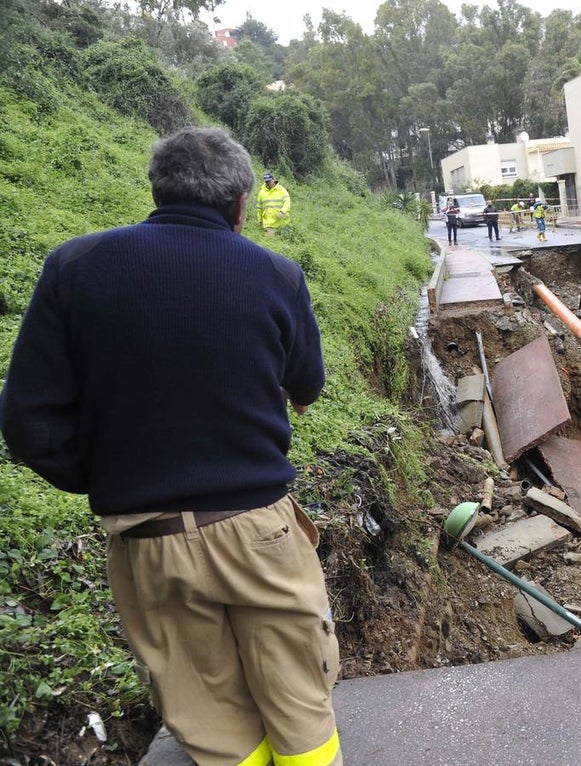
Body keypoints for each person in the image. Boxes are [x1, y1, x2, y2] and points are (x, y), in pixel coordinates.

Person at [0, 127, 341, 766]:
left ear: (157, 190)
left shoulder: (74, 267)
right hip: (259, 532)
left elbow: (27, 423)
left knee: (211, 721)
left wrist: (111, 476)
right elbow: (309, 385)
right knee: (299, 702)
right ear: (242, 203)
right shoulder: (274, 273)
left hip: (146, 538)